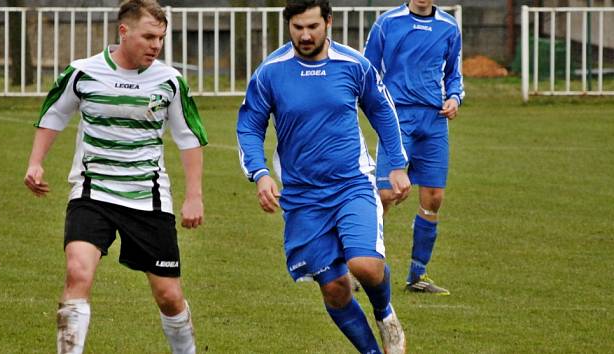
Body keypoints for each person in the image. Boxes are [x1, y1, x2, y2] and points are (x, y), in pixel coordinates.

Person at [23, 1, 207, 353]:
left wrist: (194, 196)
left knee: (169, 296)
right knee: (78, 272)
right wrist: (35, 162)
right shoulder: (82, 72)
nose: (156, 45)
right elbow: (53, 116)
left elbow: (189, 138)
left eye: (161, 38)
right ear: (124, 31)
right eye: (149, 36)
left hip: (148, 197)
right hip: (93, 193)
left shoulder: (170, 81)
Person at [237, 1, 411, 352]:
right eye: (298, 27)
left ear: (328, 22)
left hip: (352, 185)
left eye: (313, 26)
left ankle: (385, 312)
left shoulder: (353, 65)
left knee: (365, 266)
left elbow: (382, 111)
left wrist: (397, 164)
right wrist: (260, 174)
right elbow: (250, 127)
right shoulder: (271, 71)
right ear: (288, 25)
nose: (305, 35)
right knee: (334, 289)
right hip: (302, 197)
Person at [364, 0, 464, 295]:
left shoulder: (448, 26)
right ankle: (360, 266)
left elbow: (453, 73)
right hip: (398, 117)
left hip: (434, 120)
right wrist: (379, 108)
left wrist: (455, 98)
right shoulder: (387, 23)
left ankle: (417, 275)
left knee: (433, 198)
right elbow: (368, 71)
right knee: (385, 194)